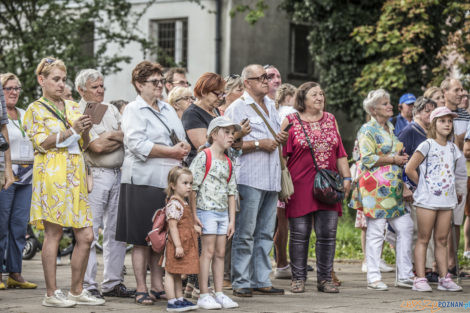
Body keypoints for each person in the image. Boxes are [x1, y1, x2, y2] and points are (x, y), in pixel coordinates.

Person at [24, 57, 104, 307]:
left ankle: (76, 290)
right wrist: (72, 130)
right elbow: (41, 142)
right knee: (53, 233)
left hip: (75, 175)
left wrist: (86, 127)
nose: (60, 84)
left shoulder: (72, 106)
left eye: (63, 79)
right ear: (42, 80)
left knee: (87, 235)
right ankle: (51, 293)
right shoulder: (34, 109)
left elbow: (84, 143)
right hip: (51, 175)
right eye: (55, 79)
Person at [115, 61, 190, 305]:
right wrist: (171, 152)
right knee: (141, 237)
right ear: (139, 84)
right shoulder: (133, 110)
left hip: (167, 181)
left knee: (163, 235)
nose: (160, 86)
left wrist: (183, 147)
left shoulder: (167, 109)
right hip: (142, 180)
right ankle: (140, 287)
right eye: (154, 82)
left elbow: (179, 137)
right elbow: (136, 145)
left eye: (161, 81)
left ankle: (158, 285)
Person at [280, 82, 350, 293]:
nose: (320, 97)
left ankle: (325, 279)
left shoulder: (330, 119)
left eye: (321, 93)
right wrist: (282, 185)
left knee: (328, 233)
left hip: (328, 184)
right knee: (299, 233)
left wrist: (346, 177)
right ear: (303, 99)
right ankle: (298, 278)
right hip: (300, 184)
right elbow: (282, 157)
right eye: (314, 94)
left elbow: (340, 152)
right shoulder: (290, 120)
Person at [225, 64, 288, 297]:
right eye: (261, 77)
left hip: (270, 178)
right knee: (246, 232)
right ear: (247, 83)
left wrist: (277, 138)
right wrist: (260, 144)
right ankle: (241, 280)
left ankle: (261, 278)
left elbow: (270, 138)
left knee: (264, 233)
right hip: (249, 178)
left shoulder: (271, 105)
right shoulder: (236, 108)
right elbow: (229, 144)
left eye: (267, 76)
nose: (266, 80)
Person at [75, 69, 134, 299]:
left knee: (116, 232)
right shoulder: (78, 111)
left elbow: (127, 136)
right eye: (95, 87)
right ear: (82, 90)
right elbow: (95, 147)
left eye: (101, 86)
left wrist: (110, 136)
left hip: (117, 172)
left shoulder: (109, 108)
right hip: (94, 174)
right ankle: (89, 283)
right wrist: (115, 137)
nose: (100, 90)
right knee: (90, 230)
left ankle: (113, 281)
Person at [351, 88, 414, 291]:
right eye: (385, 103)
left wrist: (403, 182)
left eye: (389, 102)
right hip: (374, 188)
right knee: (376, 231)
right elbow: (367, 158)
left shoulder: (390, 127)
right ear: (373, 109)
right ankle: (373, 277)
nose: (390, 106)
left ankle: (404, 275)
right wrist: (394, 159)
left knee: (405, 227)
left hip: (393, 189)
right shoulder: (367, 130)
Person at [405, 106, 463, 292]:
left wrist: (456, 191)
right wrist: (423, 185)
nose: (447, 124)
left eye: (449, 121)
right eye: (442, 121)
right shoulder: (427, 145)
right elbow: (409, 168)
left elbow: (453, 172)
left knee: (442, 240)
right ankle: (420, 278)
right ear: (434, 123)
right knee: (423, 238)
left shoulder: (453, 148)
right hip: (427, 201)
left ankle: (444, 278)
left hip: (446, 201)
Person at [190, 116, 240, 309]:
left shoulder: (228, 161)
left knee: (220, 253)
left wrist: (232, 220)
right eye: (226, 132)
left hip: (222, 214)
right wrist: (194, 215)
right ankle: (203, 293)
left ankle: (219, 293)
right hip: (206, 212)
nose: (231, 136)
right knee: (208, 252)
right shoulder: (204, 156)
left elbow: (231, 192)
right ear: (213, 134)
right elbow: (193, 188)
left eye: (232, 132)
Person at [0, 73, 36, 290]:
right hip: (6, 176)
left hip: (27, 176)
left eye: (17, 88)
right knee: (1, 224)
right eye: (8, 88)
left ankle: (15, 272)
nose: (14, 92)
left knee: (19, 226)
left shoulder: (24, 114)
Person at [398, 97, 439, 282]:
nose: (430, 114)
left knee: (426, 229)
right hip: (414, 188)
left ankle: (429, 266)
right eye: (426, 111)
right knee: (417, 230)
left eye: (432, 111)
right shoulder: (409, 131)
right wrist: (404, 186)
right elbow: (398, 160)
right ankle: (420, 268)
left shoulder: (430, 132)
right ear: (417, 112)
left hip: (429, 188)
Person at [162, 166, 199, 312]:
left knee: (178, 272)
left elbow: (184, 223)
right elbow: (172, 226)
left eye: (190, 183)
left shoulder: (183, 203)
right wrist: (177, 245)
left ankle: (178, 299)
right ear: (173, 185)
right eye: (185, 183)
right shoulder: (175, 204)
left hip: (183, 244)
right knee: (171, 273)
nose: (189, 186)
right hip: (175, 244)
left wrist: (193, 228)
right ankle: (171, 302)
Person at [441, 78, 468, 277]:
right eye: (456, 90)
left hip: (460, 175)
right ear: (445, 92)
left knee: (456, 222)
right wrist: (459, 141)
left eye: (462, 90)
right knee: (444, 222)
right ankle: (444, 266)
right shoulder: (439, 115)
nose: (461, 93)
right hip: (443, 177)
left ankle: (454, 265)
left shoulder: (465, 115)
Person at [273, 83, 297, 280]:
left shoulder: (275, 112)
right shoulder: (289, 114)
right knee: (284, 223)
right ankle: (282, 262)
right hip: (287, 171)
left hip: (279, 170)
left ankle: (281, 262)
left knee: (280, 222)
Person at [182, 72, 224, 165]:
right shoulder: (192, 114)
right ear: (204, 92)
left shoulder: (215, 110)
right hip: (202, 169)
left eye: (222, 94)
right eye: (217, 94)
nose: (221, 98)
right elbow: (204, 148)